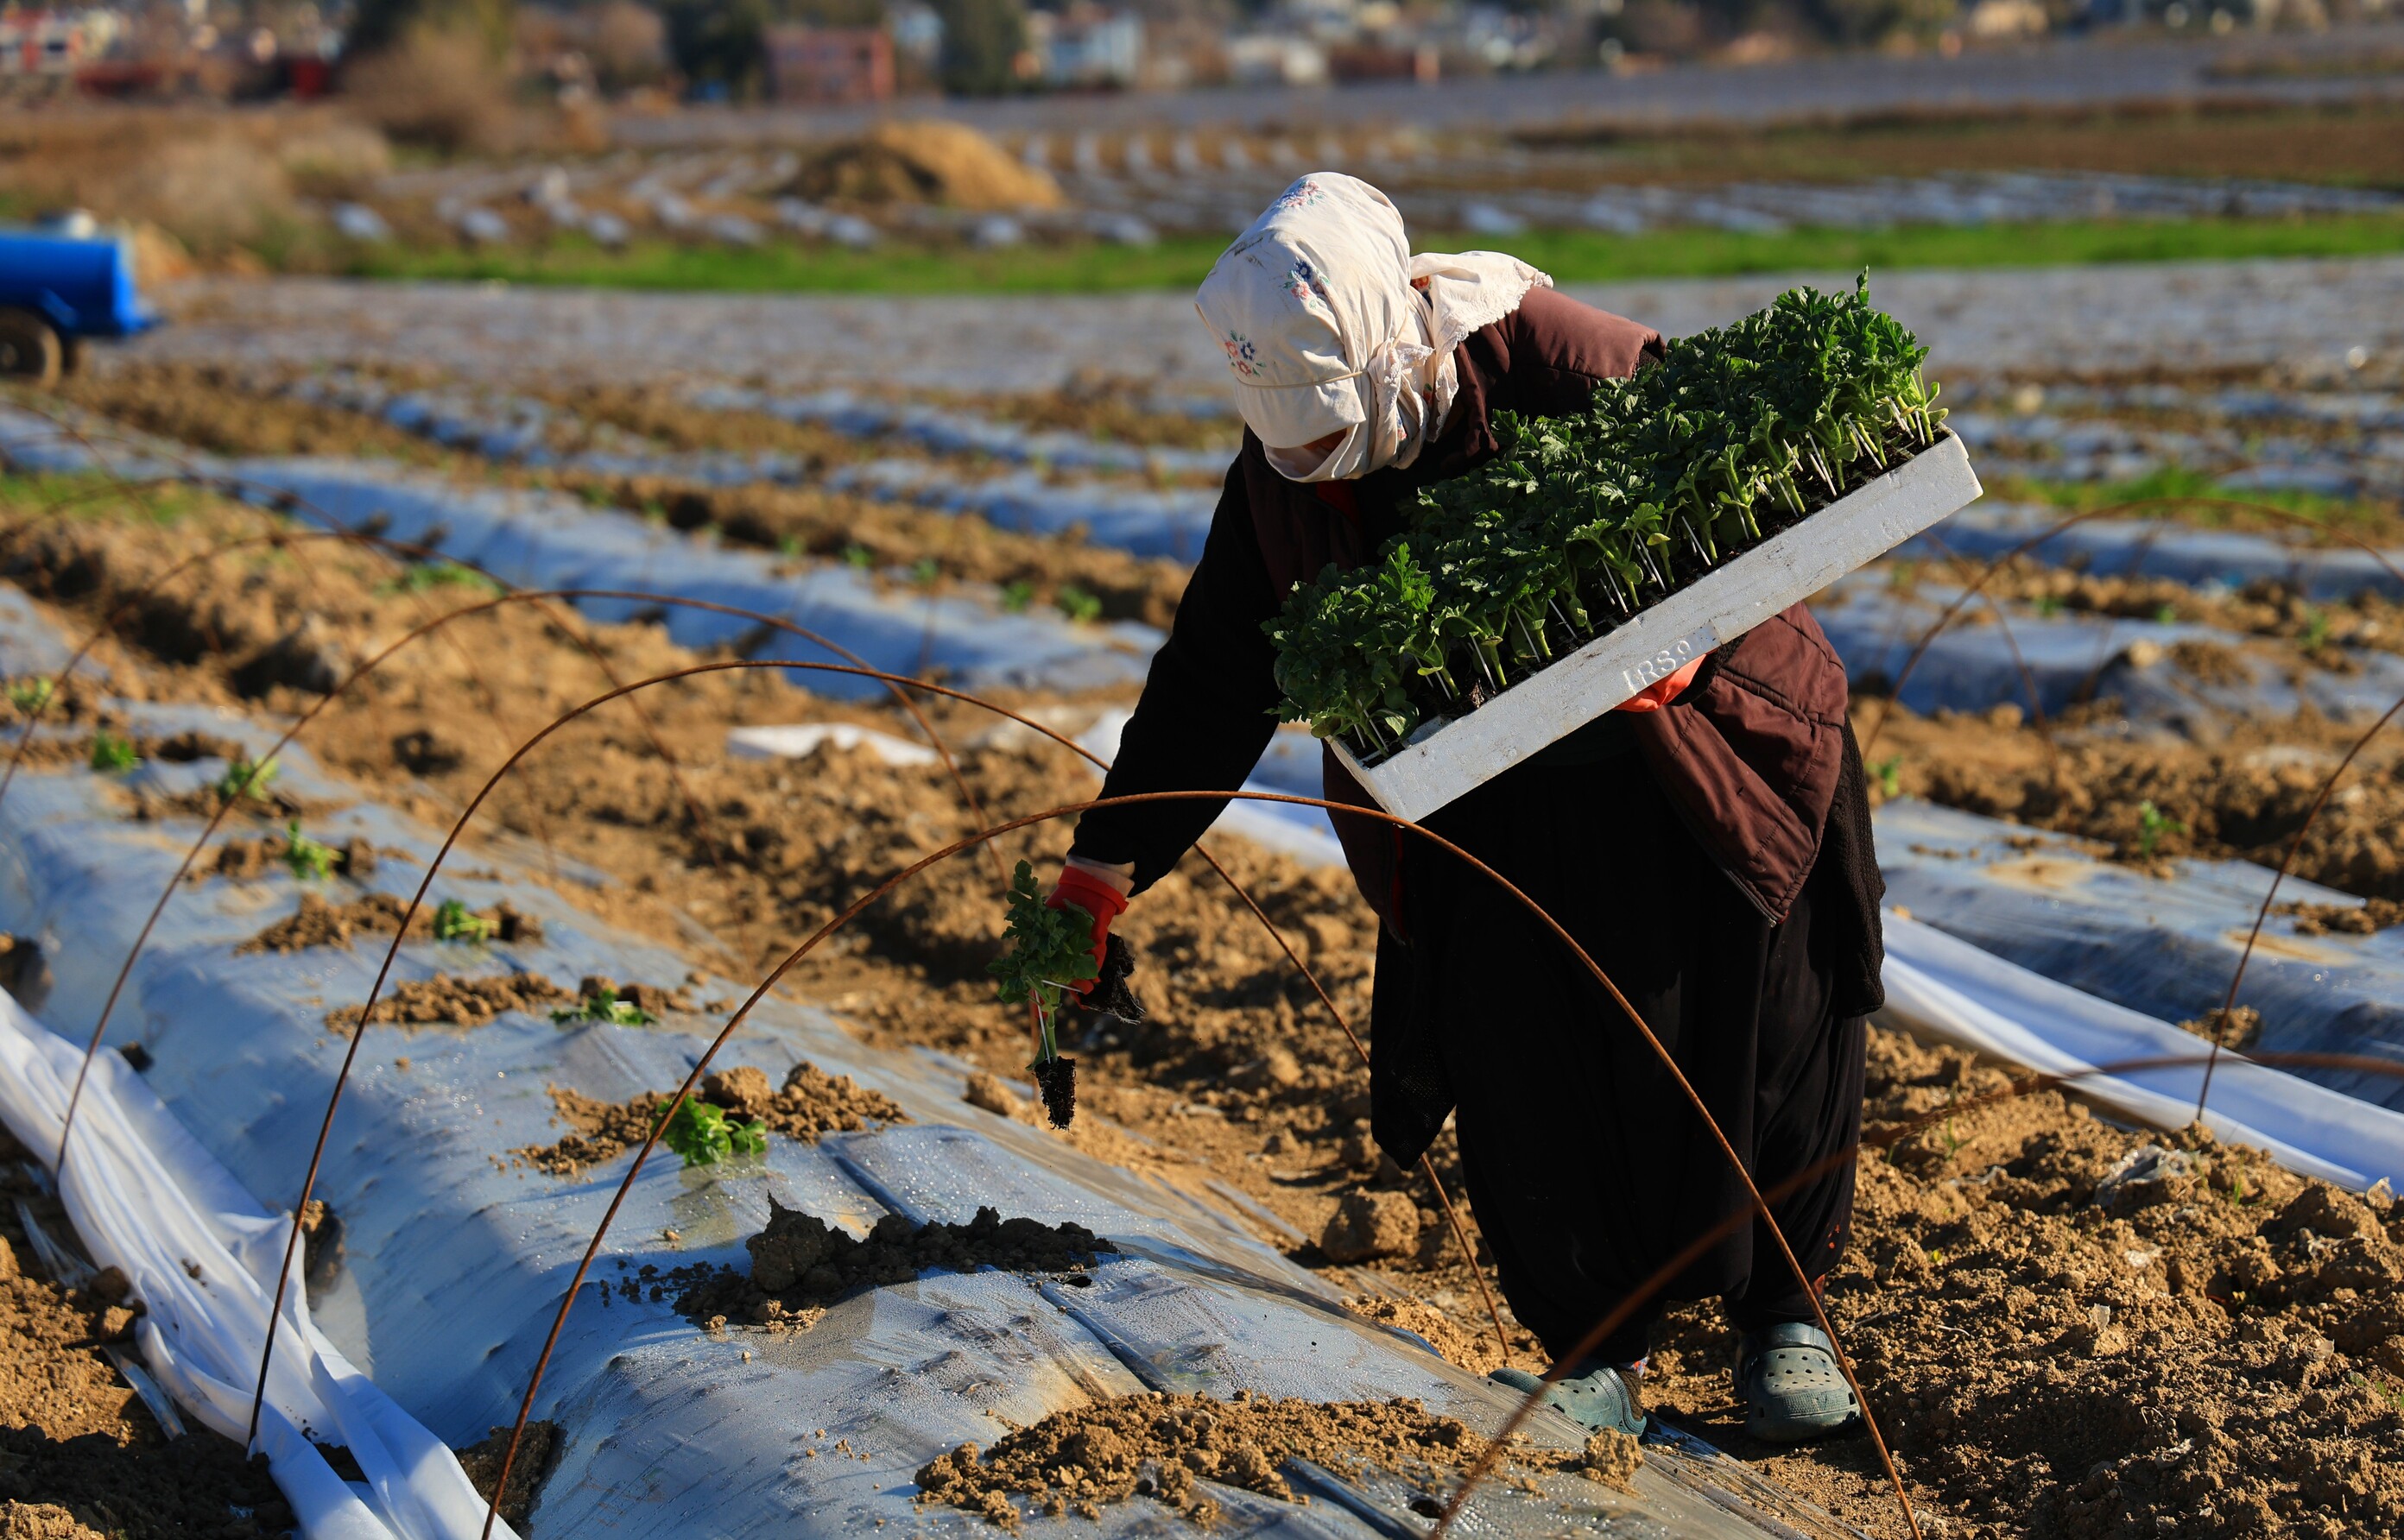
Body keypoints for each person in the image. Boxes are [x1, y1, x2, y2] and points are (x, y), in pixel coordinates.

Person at [1042, 174, 1885, 1442]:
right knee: (1525, 1064)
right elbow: (1214, 684)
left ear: (1393, 343)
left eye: (1329, 431)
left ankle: (1785, 1318)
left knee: (1755, 1024)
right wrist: (1103, 871)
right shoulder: (1278, 487)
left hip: (1695, 758)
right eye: (1290, 438)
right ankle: (1592, 1353)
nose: (1313, 462)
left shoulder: (1540, 354)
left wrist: (1694, 640)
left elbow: (1751, 473)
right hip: (1489, 812)